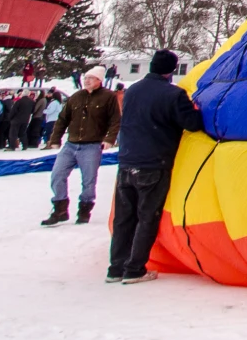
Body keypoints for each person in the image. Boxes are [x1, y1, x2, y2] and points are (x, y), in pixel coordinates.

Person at [106, 49, 203, 283]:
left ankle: (115, 268)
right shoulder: (173, 95)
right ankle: (134, 269)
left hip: (127, 162)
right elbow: (192, 124)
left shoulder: (132, 91)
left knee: (123, 217)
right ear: (171, 71)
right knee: (147, 217)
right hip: (153, 164)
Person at [42, 68, 120, 227]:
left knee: (89, 181)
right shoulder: (76, 97)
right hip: (71, 144)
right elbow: (62, 119)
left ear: (99, 80)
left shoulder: (108, 97)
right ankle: (60, 209)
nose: (87, 81)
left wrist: (109, 139)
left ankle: (84, 210)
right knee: (57, 174)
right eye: (86, 78)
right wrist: (55, 139)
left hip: (91, 146)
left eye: (91, 78)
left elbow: (115, 120)